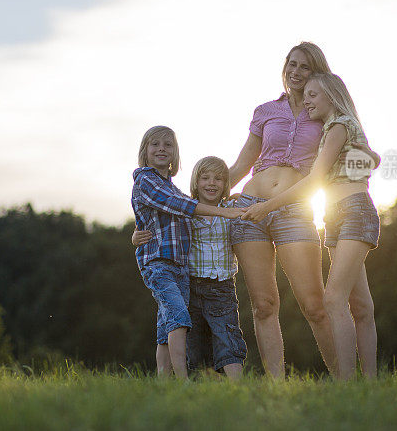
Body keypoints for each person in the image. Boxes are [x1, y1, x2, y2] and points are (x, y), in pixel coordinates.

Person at [241, 72, 379, 380]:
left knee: (332, 299)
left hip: (353, 211)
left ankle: (347, 383)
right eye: (306, 96)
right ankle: (367, 384)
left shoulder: (338, 125)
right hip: (336, 214)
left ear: (331, 95)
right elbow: (368, 160)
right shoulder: (335, 128)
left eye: (313, 95)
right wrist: (367, 159)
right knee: (361, 305)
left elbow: (315, 180)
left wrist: (267, 206)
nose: (307, 101)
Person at [227, 42, 338, 377]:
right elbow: (244, 161)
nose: (296, 72)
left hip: (294, 211)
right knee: (263, 306)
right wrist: (206, 197)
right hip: (249, 209)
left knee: (314, 306)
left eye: (304, 67)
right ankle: (277, 387)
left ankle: (346, 379)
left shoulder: (326, 111)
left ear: (317, 72)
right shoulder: (265, 111)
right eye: (292, 64)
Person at [131, 126, 244, 378]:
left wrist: (229, 202)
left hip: (179, 267)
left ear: (175, 153)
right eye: (155, 144)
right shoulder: (146, 180)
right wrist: (223, 211)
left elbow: (178, 206)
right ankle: (182, 380)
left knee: (166, 325)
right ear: (145, 151)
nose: (162, 149)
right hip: (159, 264)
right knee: (180, 318)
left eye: (168, 145)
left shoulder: (169, 186)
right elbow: (180, 205)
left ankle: (163, 381)